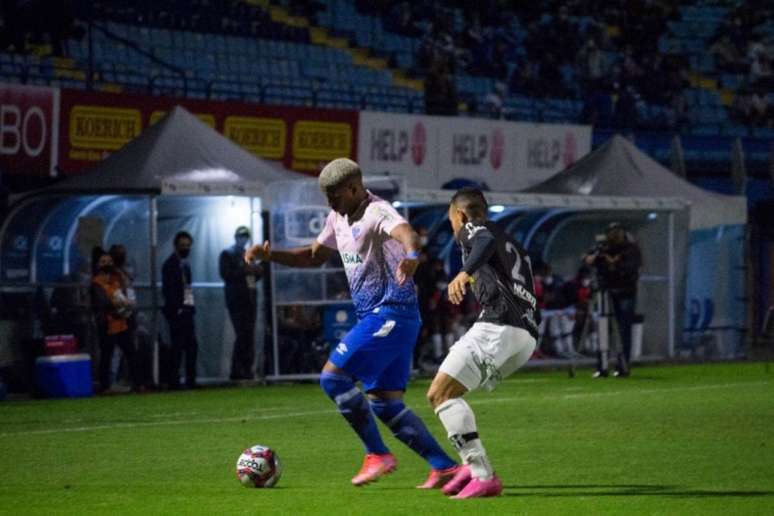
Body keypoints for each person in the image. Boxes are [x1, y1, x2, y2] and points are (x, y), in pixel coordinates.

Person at [245, 158, 461, 488]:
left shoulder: (378, 211)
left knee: (332, 379)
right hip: (386, 319)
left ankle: (378, 454)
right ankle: (445, 466)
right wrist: (269, 255)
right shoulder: (338, 216)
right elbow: (315, 256)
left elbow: (408, 236)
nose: (331, 204)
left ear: (354, 188)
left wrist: (412, 257)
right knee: (385, 404)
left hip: (390, 314)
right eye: (327, 198)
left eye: (335, 197)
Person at [426, 187, 540, 499]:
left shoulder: (474, 229)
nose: (454, 229)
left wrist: (464, 272)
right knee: (454, 391)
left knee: (440, 394)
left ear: (460, 215)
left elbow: (482, 241)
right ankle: (467, 464)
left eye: (452, 221)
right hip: (526, 334)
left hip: (500, 325)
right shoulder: (512, 241)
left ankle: (481, 473)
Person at [584, 222, 642, 378]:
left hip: (625, 292)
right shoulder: (603, 248)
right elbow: (588, 259)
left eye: (617, 232)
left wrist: (614, 263)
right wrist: (595, 257)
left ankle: (622, 365)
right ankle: (602, 365)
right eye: (611, 232)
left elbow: (630, 268)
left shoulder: (631, 248)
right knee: (602, 328)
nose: (613, 235)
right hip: (605, 291)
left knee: (623, 330)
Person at [90, 248, 139, 393]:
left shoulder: (117, 279)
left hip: (122, 322)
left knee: (131, 353)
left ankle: (138, 383)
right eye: (103, 262)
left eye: (109, 261)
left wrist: (127, 304)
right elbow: (103, 303)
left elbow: (126, 295)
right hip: (107, 324)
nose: (107, 264)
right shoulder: (96, 283)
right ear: (97, 264)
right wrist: (119, 304)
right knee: (107, 354)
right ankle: (105, 385)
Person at [219, 226, 263, 380]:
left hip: (250, 298)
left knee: (248, 335)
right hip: (237, 299)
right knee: (242, 334)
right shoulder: (228, 254)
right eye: (240, 236)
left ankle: (247, 369)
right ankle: (236, 370)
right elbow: (226, 274)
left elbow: (255, 274)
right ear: (235, 237)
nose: (243, 239)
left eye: (245, 236)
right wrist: (244, 269)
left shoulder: (249, 254)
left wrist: (255, 271)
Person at [161, 231, 198, 389]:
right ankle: (174, 381)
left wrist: (190, 307)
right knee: (177, 347)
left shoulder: (185, 265)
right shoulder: (170, 265)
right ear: (176, 246)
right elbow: (168, 289)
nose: (186, 248)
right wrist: (176, 309)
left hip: (186, 311)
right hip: (176, 312)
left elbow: (187, 288)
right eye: (183, 245)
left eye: (188, 246)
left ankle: (190, 380)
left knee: (191, 346)